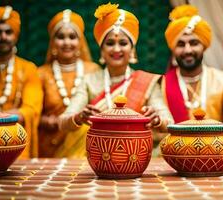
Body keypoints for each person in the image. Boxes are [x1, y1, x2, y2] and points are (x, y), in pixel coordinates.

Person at [58, 3, 173, 158]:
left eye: (123, 43)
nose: (116, 49)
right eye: (110, 43)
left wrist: (157, 119)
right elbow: (63, 122)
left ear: (132, 49)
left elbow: (169, 122)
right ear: (102, 50)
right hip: (97, 159)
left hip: (135, 159)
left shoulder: (148, 82)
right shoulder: (89, 81)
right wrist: (78, 117)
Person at [162, 5, 223, 136]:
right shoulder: (162, 83)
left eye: (193, 43)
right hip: (174, 153)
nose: (188, 50)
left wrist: (214, 140)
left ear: (204, 45)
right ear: (173, 49)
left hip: (215, 152)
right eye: (181, 44)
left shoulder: (222, 80)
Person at [38, 9, 100, 157]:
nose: (67, 42)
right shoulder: (41, 73)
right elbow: (33, 113)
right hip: (49, 147)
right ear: (53, 41)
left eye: (72, 37)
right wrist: (49, 121)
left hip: (85, 146)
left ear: (80, 41)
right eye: (61, 37)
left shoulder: (93, 70)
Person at [0, 6, 43, 158]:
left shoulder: (28, 69)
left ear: (15, 36)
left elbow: (31, 109)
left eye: (8, 32)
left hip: (18, 145)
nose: (3, 37)